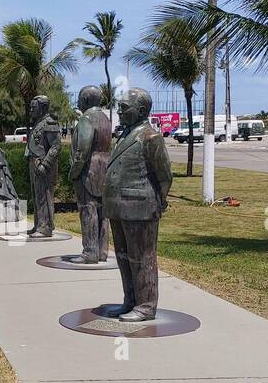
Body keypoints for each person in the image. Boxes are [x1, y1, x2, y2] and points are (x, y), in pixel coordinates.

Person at [102, 88, 171, 323]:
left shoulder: (151, 137)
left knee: (142, 257)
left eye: (124, 108)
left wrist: (159, 201)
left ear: (141, 111)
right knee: (123, 256)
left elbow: (164, 175)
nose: (119, 112)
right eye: (119, 107)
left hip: (140, 207)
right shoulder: (125, 135)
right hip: (119, 207)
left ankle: (146, 305)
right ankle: (130, 300)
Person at [68, 85, 112, 263]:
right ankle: (102, 250)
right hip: (104, 168)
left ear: (85, 100)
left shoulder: (86, 119)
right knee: (102, 213)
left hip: (89, 171)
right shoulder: (104, 118)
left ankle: (90, 252)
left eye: (79, 98)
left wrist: (74, 171)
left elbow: (82, 151)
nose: (77, 101)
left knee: (88, 210)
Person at [25, 95, 61, 237]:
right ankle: (39, 224)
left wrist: (45, 164)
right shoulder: (39, 122)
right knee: (37, 196)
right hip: (35, 164)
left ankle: (45, 227)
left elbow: (56, 146)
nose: (31, 110)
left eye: (34, 107)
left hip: (44, 166)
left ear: (43, 107)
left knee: (44, 196)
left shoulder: (50, 123)